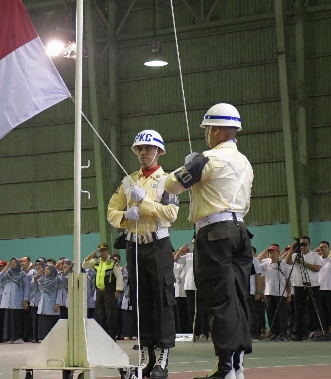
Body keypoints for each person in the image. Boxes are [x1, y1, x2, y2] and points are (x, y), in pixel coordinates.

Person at [165, 103, 253, 379]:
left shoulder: (209, 159)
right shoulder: (245, 162)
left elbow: (171, 185)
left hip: (215, 233)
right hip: (240, 230)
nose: (206, 135)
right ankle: (237, 366)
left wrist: (190, 164)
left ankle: (225, 369)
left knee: (220, 300)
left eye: (207, 130)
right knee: (238, 300)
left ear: (215, 129)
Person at [106, 129, 179, 378]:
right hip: (134, 245)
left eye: (148, 149)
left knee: (162, 300)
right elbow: (111, 211)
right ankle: (146, 356)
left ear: (159, 151)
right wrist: (125, 217)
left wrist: (144, 202)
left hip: (158, 245)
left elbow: (171, 214)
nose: (143, 153)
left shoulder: (169, 181)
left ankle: (163, 358)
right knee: (141, 302)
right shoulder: (128, 182)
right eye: (139, 149)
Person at [83, 244, 123, 343]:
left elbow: (119, 276)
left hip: (109, 291)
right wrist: (93, 254)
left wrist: (118, 290)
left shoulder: (113, 263)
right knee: (101, 314)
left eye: (103, 251)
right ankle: (104, 336)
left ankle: (112, 336)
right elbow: (84, 264)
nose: (101, 253)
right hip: (99, 292)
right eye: (100, 251)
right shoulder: (96, 262)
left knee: (110, 314)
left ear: (108, 251)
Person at [285, 236, 322, 341]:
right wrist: (292, 249)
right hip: (299, 285)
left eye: (305, 244)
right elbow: (287, 261)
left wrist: (303, 263)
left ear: (310, 245)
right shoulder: (296, 255)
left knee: (315, 309)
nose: (303, 246)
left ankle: (316, 330)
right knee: (298, 310)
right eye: (301, 244)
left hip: (312, 284)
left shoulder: (314, 255)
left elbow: (317, 268)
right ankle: (298, 332)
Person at [257, 246, 291, 341]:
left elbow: (288, 280)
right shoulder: (266, 263)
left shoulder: (284, 264)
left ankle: (283, 333)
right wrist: (264, 253)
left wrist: (289, 293)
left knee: (282, 314)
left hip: (281, 294)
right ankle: (273, 333)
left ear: (278, 253)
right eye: (270, 253)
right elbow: (256, 262)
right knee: (270, 314)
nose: (271, 255)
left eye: (273, 252)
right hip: (269, 293)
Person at [0, 258, 26, 344]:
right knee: (9, 319)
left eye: (14, 262)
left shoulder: (22, 274)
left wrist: (25, 299)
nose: (12, 264)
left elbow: (27, 288)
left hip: (17, 299)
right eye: (11, 262)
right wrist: (3, 271)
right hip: (7, 299)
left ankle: (17, 337)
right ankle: (10, 337)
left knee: (16, 319)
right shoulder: (7, 274)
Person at [36, 264, 64, 340]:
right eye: (45, 269)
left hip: (51, 303)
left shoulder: (57, 280)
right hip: (43, 302)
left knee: (50, 321)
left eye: (48, 269)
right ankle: (42, 337)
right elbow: (34, 284)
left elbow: (59, 291)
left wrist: (57, 303)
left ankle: (51, 338)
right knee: (43, 320)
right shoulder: (43, 279)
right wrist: (36, 276)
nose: (46, 271)